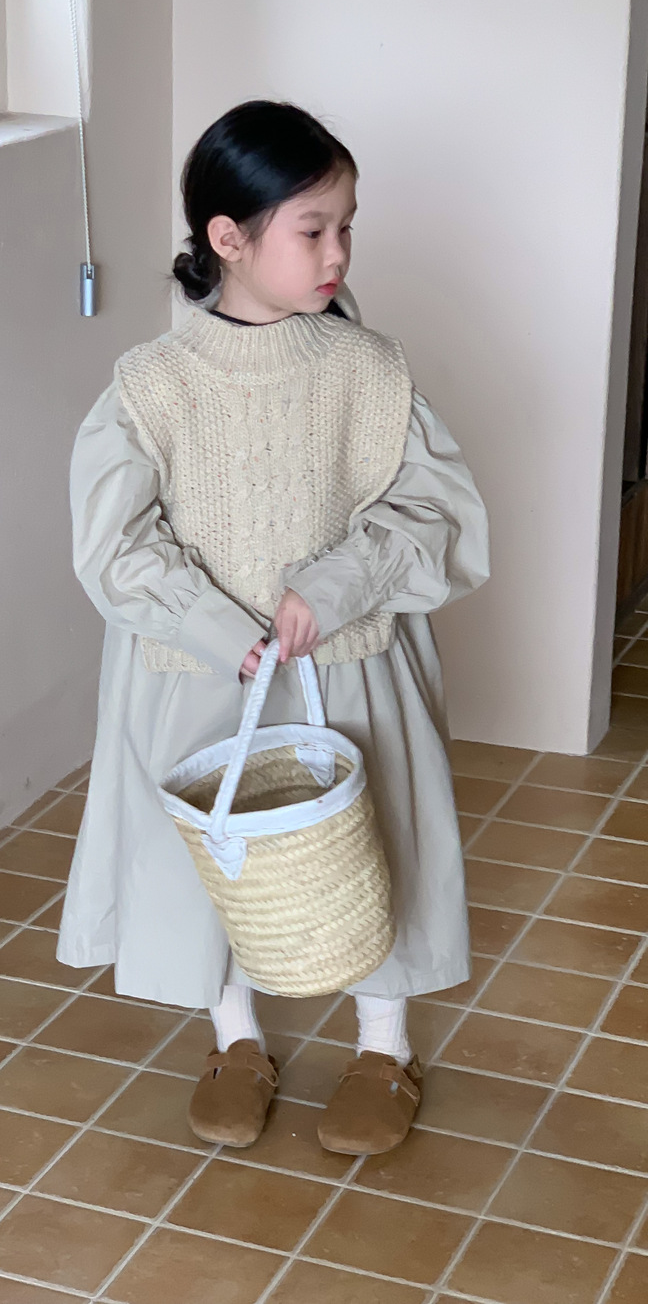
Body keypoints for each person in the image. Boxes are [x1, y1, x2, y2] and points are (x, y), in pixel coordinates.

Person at [57, 99, 489, 1156]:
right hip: (197, 673)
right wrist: (218, 627)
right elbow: (114, 546)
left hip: (349, 662)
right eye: (313, 229)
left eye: (348, 226)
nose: (339, 252)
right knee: (222, 852)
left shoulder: (368, 370)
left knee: (374, 842)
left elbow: (433, 510)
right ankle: (235, 1037)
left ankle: (383, 1046)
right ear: (228, 237)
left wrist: (335, 585)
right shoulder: (152, 387)